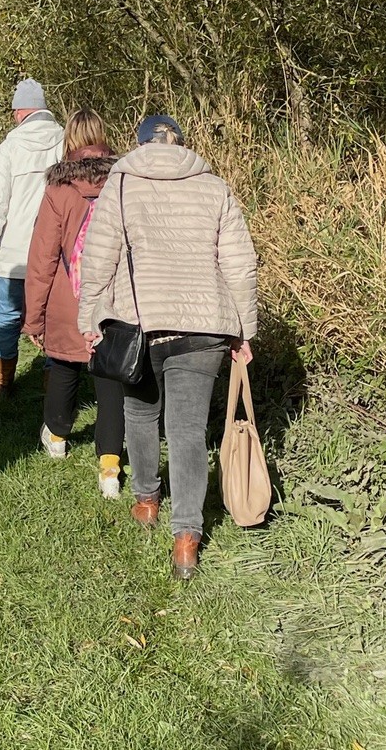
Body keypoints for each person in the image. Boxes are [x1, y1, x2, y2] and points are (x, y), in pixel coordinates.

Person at [78, 114, 257, 579]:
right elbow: (240, 263)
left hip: (141, 323)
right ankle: (186, 537)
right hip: (204, 326)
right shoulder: (214, 186)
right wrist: (244, 329)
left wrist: (89, 317)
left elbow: (99, 256)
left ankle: (146, 501)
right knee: (186, 430)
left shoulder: (121, 185)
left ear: (137, 144)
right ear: (182, 143)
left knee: (140, 413)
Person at [22, 110, 124, 497]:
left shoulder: (59, 189)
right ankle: (110, 468)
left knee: (64, 369)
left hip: (69, 298)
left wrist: (34, 318)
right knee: (110, 379)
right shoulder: (123, 180)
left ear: (69, 141)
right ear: (103, 138)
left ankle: (58, 438)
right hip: (113, 298)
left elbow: (43, 257)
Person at [0, 79, 65, 394]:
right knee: (54, 316)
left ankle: (1, 379)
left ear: (18, 112)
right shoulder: (66, 142)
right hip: (56, 251)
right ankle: (55, 385)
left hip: (15, 253)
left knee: (7, 315)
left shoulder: (9, 147)